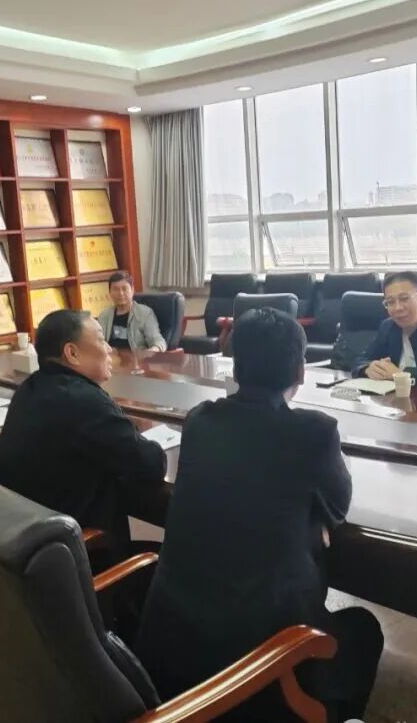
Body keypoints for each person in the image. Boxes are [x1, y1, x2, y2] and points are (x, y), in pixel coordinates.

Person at [135, 307, 383, 723]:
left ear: (235, 368)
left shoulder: (200, 421)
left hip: (170, 651)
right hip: (258, 666)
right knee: (363, 630)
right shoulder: (314, 431)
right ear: (300, 370)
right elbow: (337, 508)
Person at [0, 309, 166, 545]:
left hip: (21, 547)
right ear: (72, 353)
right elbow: (152, 464)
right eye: (101, 340)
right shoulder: (84, 401)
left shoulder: (29, 388)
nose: (109, 349)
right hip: (76, 554)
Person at [96, 271, 166, 352]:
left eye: (124, 289)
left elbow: (158, 342)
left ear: (132, 290)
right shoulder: (104, 315)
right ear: (110, 292)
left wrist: (149, 353)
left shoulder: (145, 313)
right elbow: (97, 342)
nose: (120, 293)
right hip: (110, 358)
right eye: (115, 289)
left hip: (136, 358)